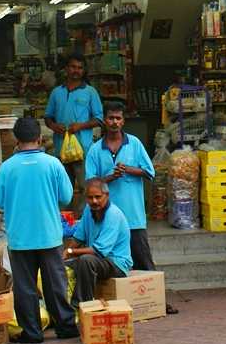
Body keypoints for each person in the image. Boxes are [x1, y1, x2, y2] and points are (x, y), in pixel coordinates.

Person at [0, 117, 79, 343]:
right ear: (40, 138)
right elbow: (66, 197)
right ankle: (65, 327)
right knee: (55, 284)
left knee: (25, 287)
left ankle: (32, 332)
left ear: (16, 139)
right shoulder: (53, 164)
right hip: (49, 235)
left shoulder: (7, 167)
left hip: (20, 238)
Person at [85, 102, 156, 271]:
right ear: (104, 120)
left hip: (134, 218)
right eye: (111, 118)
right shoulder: (95, 150)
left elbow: (150, 172)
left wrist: (129, 169)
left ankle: (151, 296)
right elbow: (90, 183)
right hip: (107, 218)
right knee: (110, 264)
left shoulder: (135, 144)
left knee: (144, 263)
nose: (114, 122)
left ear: (123, 121)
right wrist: (111, 177)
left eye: (118, 118)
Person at [63, 178, 131, 305]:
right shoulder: (89, 210)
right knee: (60, 266)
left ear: (107, 195)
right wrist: (65, 255)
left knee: (86, 260)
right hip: (99, 260)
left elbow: (99, 251)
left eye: (98, 197)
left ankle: (81, 304)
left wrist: (71, 251)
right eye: (90, 197)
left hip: (116, 263)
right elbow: (78, 238)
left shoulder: (113, 214)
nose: (94, 201)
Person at [44, 52, 104, 195]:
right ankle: (64, 216)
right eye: (73, 67)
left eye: (80, 68)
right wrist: (53, 126)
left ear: (84, 71)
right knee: (62, 190)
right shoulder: (56, 92)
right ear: (66, 68)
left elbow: (100, 119)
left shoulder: (90, 92)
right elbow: (47, 117)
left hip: (82, 150)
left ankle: (84, 216)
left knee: (86, 188)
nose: (76, 70)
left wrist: (81, 126)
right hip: (60, 149)